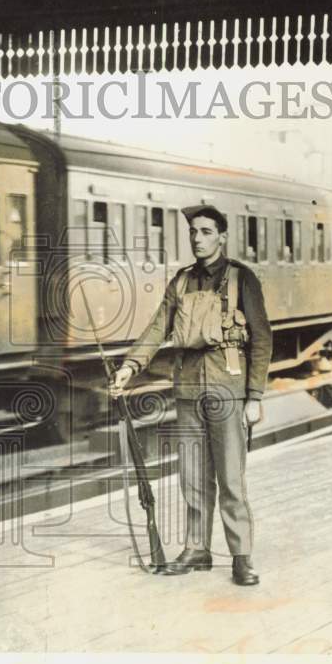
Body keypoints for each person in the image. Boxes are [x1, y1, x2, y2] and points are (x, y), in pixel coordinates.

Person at [110, 204, 272, 586]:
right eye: (193, 233)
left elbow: (262, 338)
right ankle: (197, 548)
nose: (198, 239)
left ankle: (241, 556)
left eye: (205, 232)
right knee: (193, 477)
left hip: (227, 387)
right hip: (187, 390)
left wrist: (255, 396)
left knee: (231, 478)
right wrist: (129, 367)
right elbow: (156, 329)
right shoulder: (181, 281)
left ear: (221, 236)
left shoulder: (241, 279)